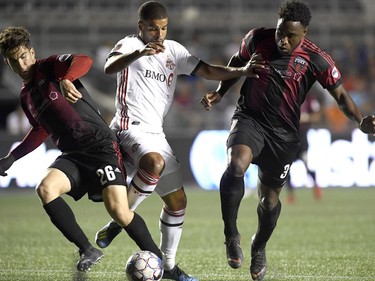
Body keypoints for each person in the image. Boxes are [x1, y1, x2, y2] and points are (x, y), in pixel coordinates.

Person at [200, 1, 375, 280]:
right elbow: (236, 62)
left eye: (290, 35)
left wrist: (359, 121)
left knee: (269, 202)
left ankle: (259, 246)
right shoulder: (258, 38)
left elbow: (340, 96)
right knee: (235, 166)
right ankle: (231, 234)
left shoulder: (317, 59)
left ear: (304, 32)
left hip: (283, 136)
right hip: (250, 118)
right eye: (281, 32)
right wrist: (220, 92)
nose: (283, 40)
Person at [92, 2, 261, 281]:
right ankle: (120, 220)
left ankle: (168, 267)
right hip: (127, 127)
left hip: (155, 133)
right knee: (154, 163)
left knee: (178, 202)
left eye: (163, 28)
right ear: (140, 27)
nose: (158, 34)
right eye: (152, 29)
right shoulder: (128, 44)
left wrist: (241, 72)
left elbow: (207, 70)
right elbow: (110, 67)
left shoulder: (174, 50)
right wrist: (138, 53)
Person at [0, 26, 162, 273]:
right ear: (8, 63)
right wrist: (12, 158)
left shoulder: (50, 67)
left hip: (99, 146)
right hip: (73, 155)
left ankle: (164, 263)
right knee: (45, 188)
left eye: (23, 57)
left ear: (32, 53)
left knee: (119, 211)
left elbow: (83, 59)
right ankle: (87, 249)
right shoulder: (27, 96)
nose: (21, 65)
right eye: (13, 61)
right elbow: (39, 130)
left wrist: (66, 79)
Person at [285, 91, 323, 203]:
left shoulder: (310, 99)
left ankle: (316, 185)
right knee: (286, 167)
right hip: (288, 138)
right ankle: (291, 194)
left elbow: (317, 116)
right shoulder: (287, 98)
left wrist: (305, 117)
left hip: (302, 138)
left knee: (305, 164)